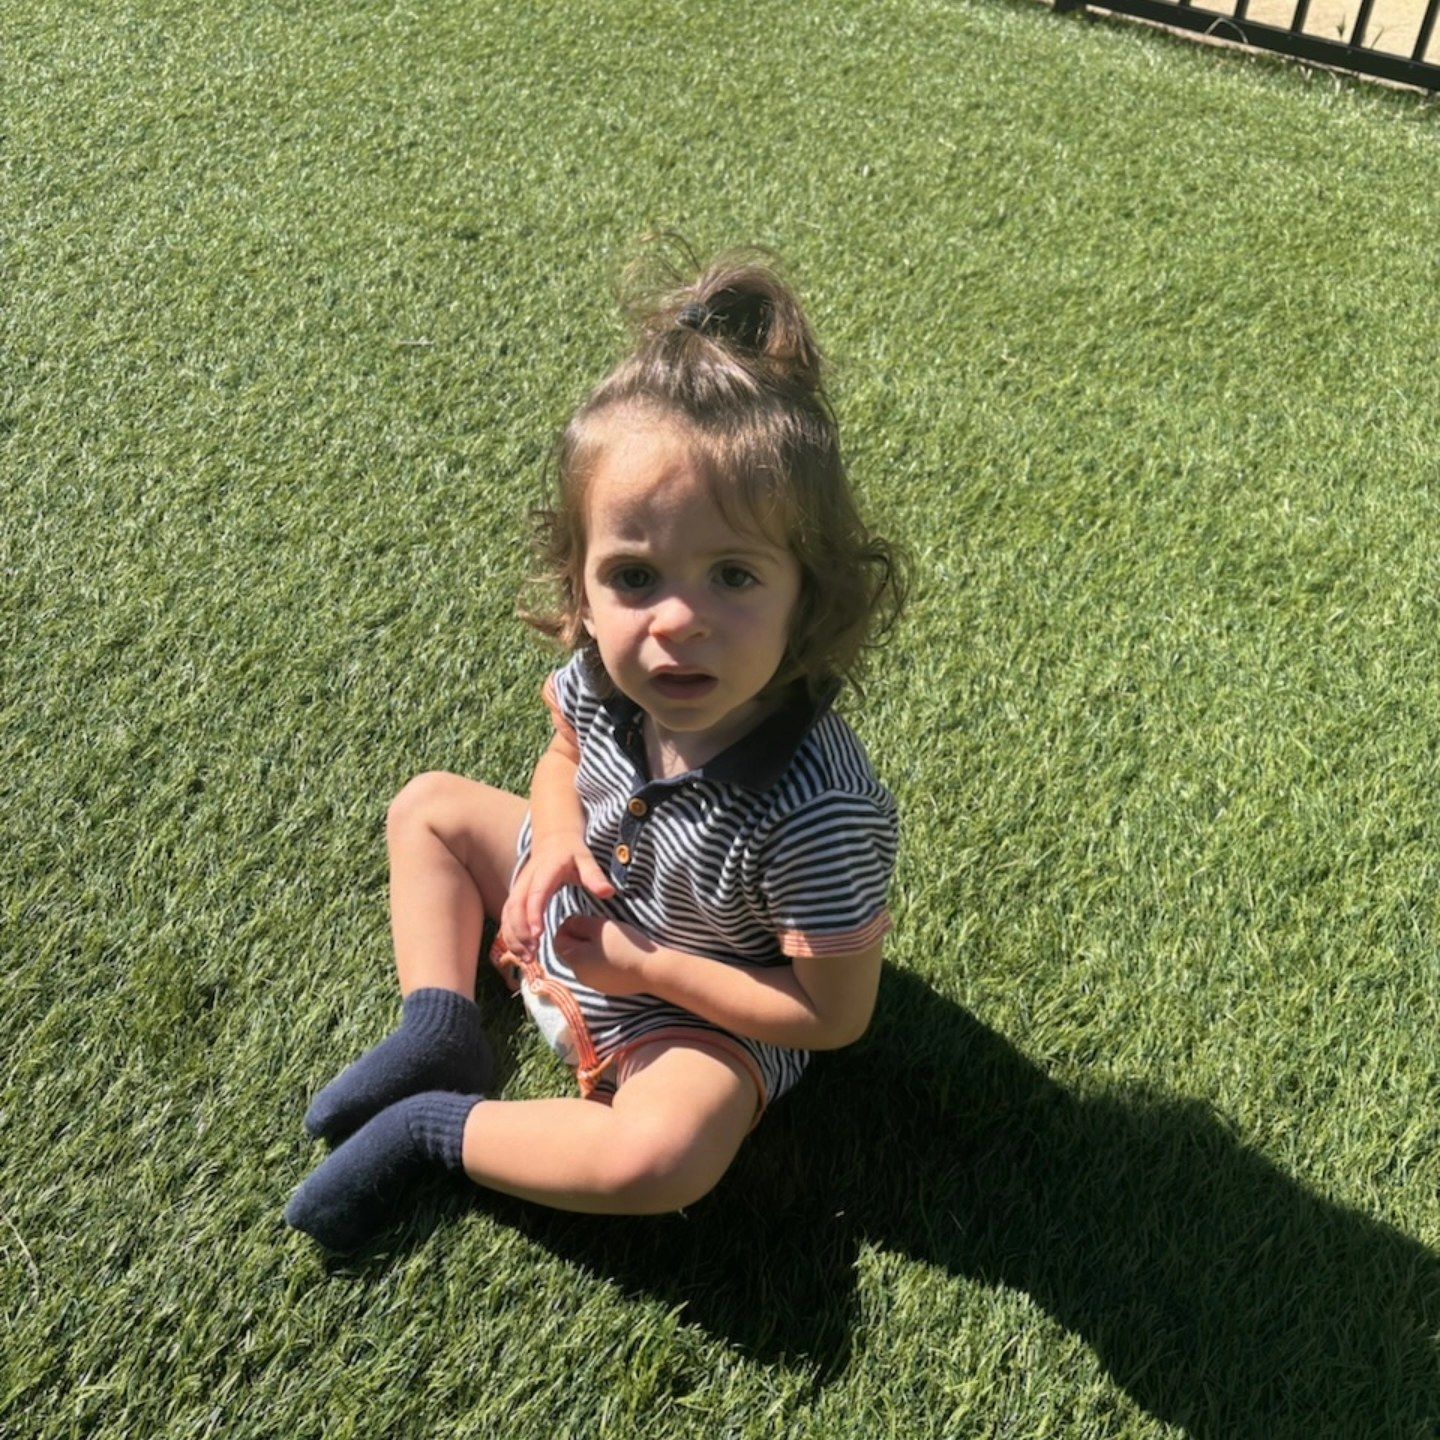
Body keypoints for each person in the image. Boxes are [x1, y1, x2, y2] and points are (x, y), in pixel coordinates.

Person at [285, 240, 907, 1250]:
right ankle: (438, 1030)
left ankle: (434, 1130)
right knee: (430, 807)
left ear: (810, 597)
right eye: (633, 576)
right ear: (580, 584)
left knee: (662, 1158)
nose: (675, 622)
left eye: (734, 578)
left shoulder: (814, 806)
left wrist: (642, 966)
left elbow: (830, 1017)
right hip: (583, 901)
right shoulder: (610, 680)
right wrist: (561, 835)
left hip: (700, 1007)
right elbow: (562, 757)